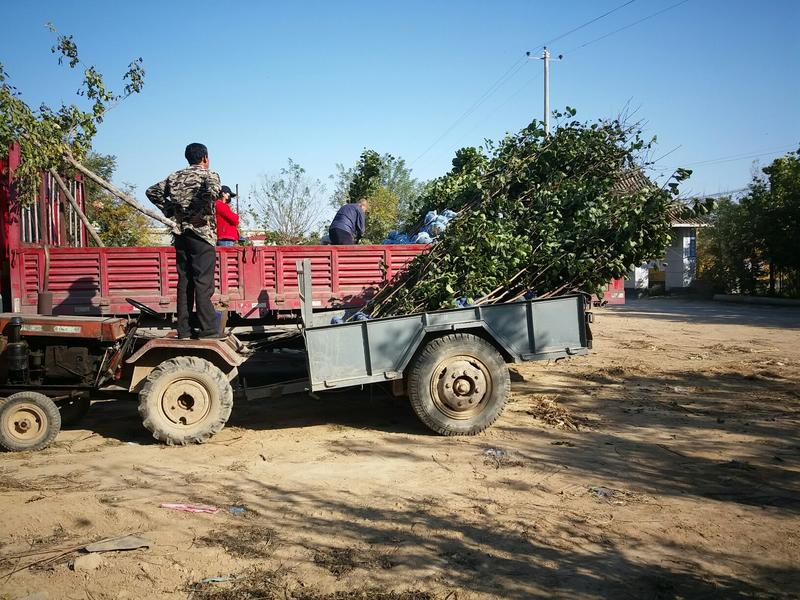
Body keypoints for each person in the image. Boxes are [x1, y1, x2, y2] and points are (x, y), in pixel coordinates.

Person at [146, 143, 222, 339]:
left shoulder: (174, 176)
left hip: (181, 234)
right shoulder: (209, 174)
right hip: (201, 234)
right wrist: (200, 214)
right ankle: (208, 330)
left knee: (185, 281)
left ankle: (184, 330)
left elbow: (152, 192)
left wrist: (171, 211)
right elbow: (214, 193)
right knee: (203, 282)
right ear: (205, 157)